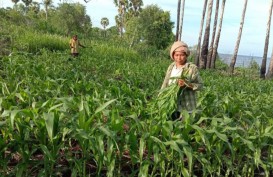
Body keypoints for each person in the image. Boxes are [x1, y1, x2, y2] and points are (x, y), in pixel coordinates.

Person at [161, 41, 203, 120]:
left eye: (182, 55)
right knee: (172, 126)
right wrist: (161, 96)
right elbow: (165, 83)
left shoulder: (192, 68)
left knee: (185, 129)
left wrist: (187, 84)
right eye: (176, 55)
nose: (179, 58)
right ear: (173, 55)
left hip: (187, 106)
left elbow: (200, 85)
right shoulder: (171, 67)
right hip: (172, 104)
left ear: (186, 55)